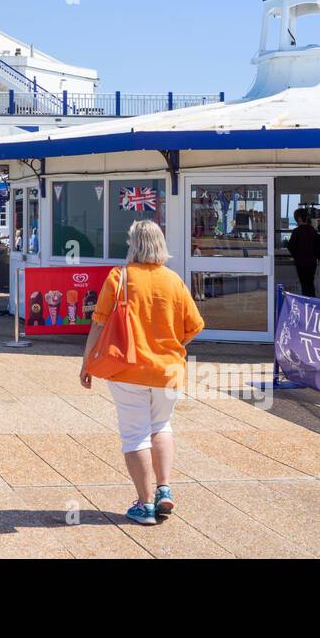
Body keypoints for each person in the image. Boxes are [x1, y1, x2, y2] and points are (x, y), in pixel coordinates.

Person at [79, 220, 204, 526]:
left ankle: (145, 505)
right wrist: (170, 346)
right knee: (161, 426)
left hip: (128, 369)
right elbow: (195, 326)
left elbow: (98, 322)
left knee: (135, 436)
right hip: (169, 370)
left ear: (133, 244)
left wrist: (86, 362)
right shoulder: (174, 280)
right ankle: (164, 489)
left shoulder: (119, 277)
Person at [286, 207, 320, 297]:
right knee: (310, 283)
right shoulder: (313, 231)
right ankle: (311, 302)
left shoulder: (296, 232)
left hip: (301, 263)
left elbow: (291, 247)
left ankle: (306, 304)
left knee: (304, 284)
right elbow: (319, 245)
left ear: (298, 218)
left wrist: (296, 255)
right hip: (312, 262)